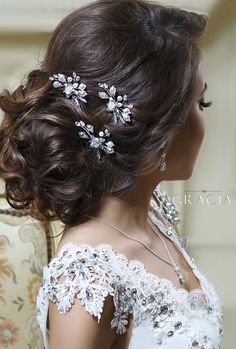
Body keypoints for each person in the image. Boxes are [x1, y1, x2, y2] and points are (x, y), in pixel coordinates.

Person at [0, 0, 224, 348]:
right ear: (156, 127)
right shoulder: (88, 277)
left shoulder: (154, 212)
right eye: (200, 103)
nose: (205, 124)